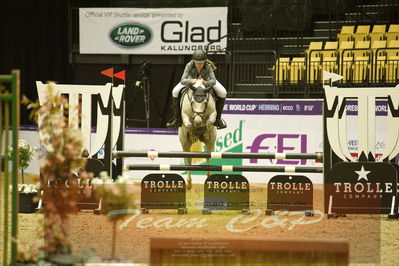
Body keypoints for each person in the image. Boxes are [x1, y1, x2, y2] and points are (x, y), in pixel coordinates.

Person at [166, 49, 227, 130]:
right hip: (191, 80)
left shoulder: (208, 66)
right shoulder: (189, 65)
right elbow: (183, 80)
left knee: (223, 92)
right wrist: (191, 81)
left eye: (201, 63)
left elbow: (213, 81)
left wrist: (204, 82)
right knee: (175, 91)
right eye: (197, 63)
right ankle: (176, 119)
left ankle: (218, 119)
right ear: (193, 61)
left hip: (206, 80)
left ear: (205, 61)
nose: (199, 65)